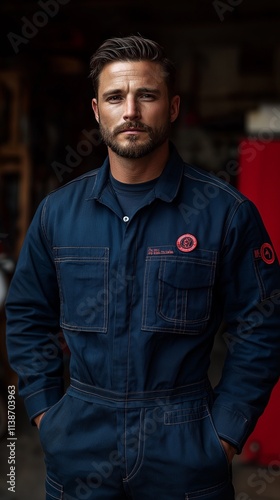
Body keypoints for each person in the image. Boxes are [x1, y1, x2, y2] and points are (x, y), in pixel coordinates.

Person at [5, 34, 280, 500]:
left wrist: (226, 432)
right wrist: (45, 413)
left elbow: (263, 325)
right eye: (116, 97)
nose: (130, 110)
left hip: (184, 441)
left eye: (146, 95)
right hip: (81, 437)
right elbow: (27, 315)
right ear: (97, 111)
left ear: (172, 107)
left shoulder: (225, 214)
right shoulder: (58, 214)